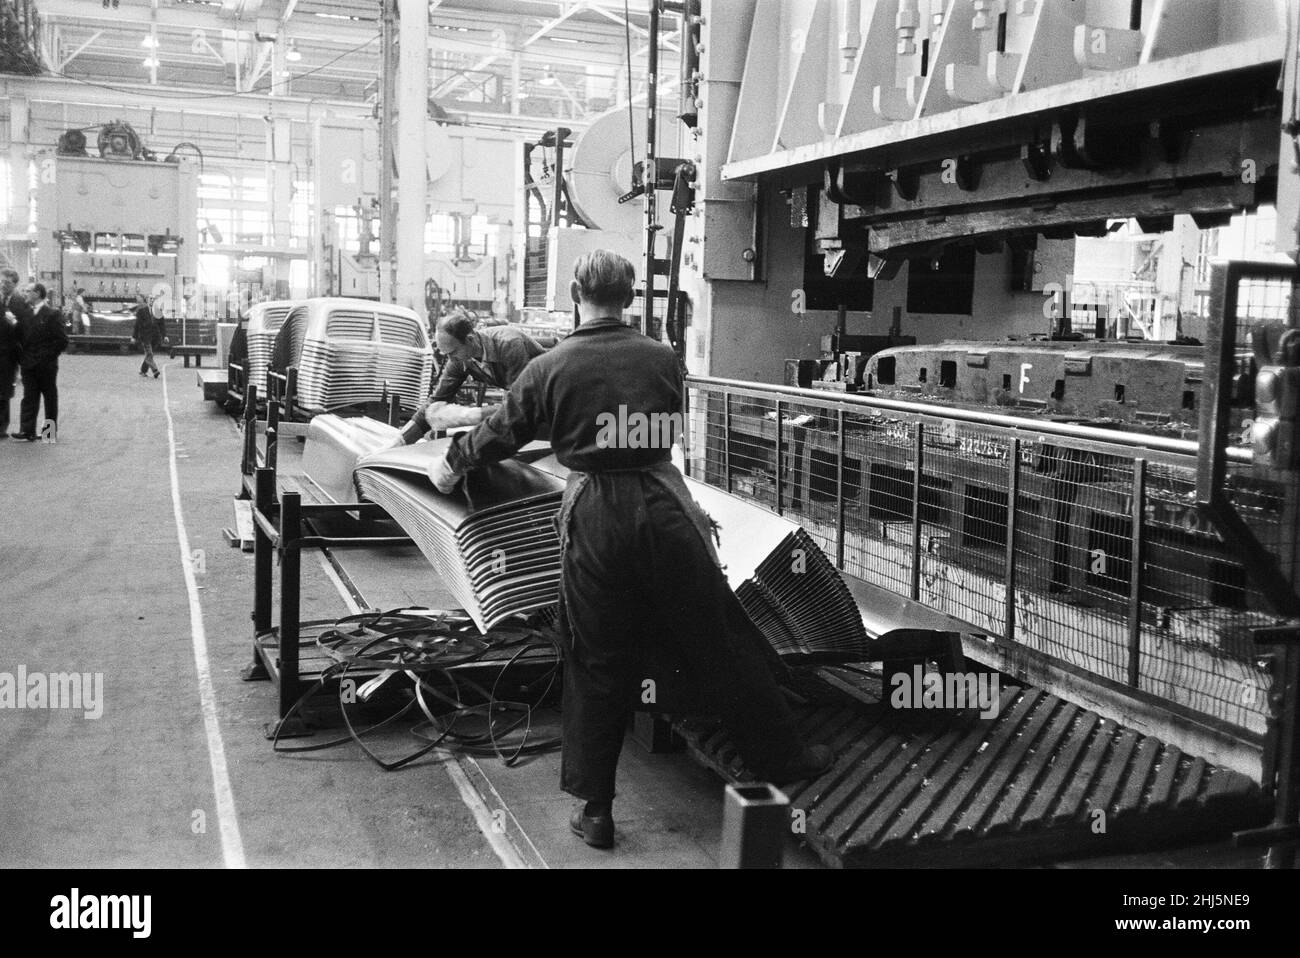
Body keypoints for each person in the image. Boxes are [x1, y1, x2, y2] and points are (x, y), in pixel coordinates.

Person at [429, 250, 831, 849]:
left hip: (594, 516)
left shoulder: (550, 366)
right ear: (631, 294)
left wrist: (451, 462)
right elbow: (662, 429)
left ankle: (597, 813)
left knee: (595, 660)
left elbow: (501, 433)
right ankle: (784, 756)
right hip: (664, 508)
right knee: (719, 635)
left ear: (574, 292)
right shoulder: (662, 357)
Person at [400, 309, 548, 440]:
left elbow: (520, 406)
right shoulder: (461, 357)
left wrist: (466, 415)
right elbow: (437, 400)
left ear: (470, 339)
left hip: (555, 401)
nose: (451, 360)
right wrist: (400, 441)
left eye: (453, 353)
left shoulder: (509, 345)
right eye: (447, 355)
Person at [11, 282, 68, 441]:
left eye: (28, 291)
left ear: (37, 293)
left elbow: (62, 340)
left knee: (49, 398)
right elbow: (20, 336)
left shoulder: (52, 314)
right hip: (28, 363)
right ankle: (26, 430)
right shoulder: (26, 314)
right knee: (29, 397)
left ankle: (48, 433)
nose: (25, 294)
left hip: (46, 365)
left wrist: (47, 356)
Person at [0, 269, 28, 439]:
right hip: (2, 352)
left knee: (5, 391)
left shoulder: (19, 302)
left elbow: (23, 330)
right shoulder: (2, 301)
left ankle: (45, 433)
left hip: (10, 354)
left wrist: (14, 323)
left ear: (15, 284)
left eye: (7, 283)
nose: (3, 285)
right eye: (2, 282)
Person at [131, 293, 164, 378]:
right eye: (150, 299)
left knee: (148, 355)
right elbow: (137, 324)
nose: (151, 300)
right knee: (150, 354)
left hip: (155, 337)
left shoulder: (158, 311)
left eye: (153, 299)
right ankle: (155, 370)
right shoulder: (141, 311)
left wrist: (165, 335)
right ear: (147, 300)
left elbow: (162, 324)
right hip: (145, 336)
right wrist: (134, 337)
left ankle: (143, 371)